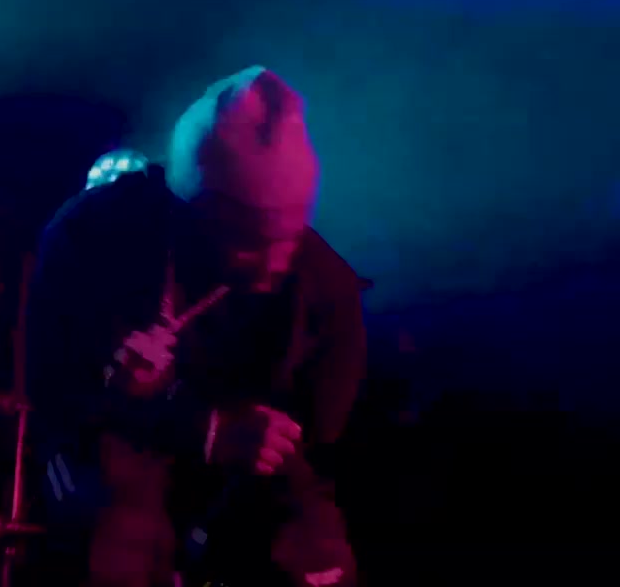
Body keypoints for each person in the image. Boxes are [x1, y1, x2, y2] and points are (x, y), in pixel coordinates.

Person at [26, 66, 367, 586]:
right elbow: (53, 386)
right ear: (191, 211)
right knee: (116, 526)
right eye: (248, 240)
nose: (273, 261)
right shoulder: (90, 235)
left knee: (318, 555)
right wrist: (196, 427)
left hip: (249, 477)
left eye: (289, 236)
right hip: (110, 449)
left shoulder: (327, 289)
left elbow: (317, 440)